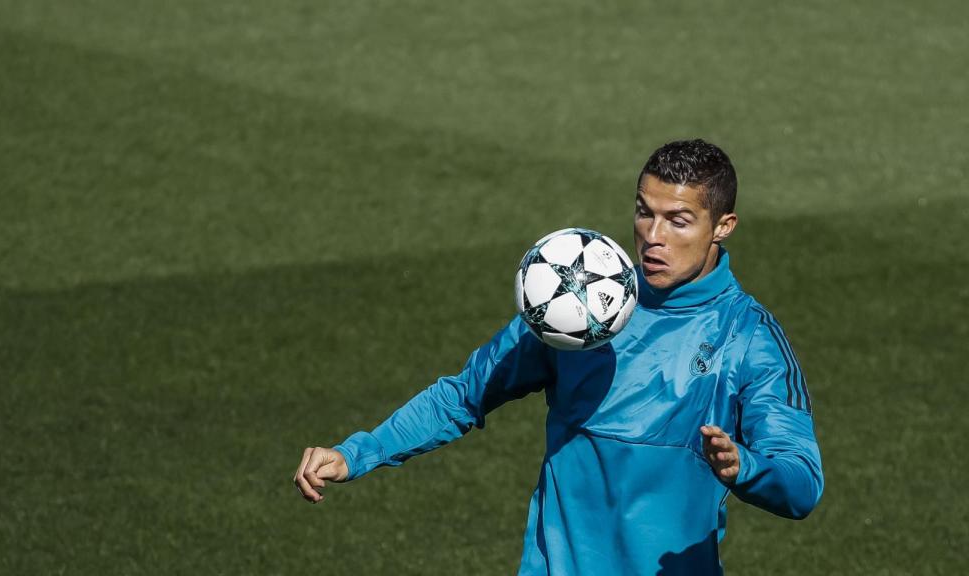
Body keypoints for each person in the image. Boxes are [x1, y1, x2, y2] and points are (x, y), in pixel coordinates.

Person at [293, 139, 824, 575]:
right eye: (644, 213)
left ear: (723, 226)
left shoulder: (749, 339)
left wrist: (746, 467)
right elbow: (464, 394)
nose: (652, 237)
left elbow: (802, 484)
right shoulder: (578, 306)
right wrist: (356, 453)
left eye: (678, 221)